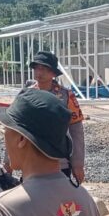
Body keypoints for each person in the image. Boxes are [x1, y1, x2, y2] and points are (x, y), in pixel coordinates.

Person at [24, 51, 85, 184]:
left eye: (44, 69)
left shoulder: (66, 96)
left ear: (53, 73)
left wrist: (78, 163)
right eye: (37, 68)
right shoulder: (26, 95)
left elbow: (76, 131)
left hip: (59, 162)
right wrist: (9, 160)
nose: (39, 72)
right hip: (31, 160)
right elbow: (14, 128)